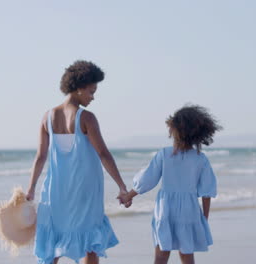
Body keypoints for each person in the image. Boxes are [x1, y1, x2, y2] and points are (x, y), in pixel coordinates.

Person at [25, 60, 130, 264]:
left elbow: (40, 157)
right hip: (85, 191)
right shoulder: (86, 118)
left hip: (56, 191)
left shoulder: (47, 117)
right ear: (80, 88)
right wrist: (122, 186)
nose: (93, 97)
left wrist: (31, 188)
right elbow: (104, 154)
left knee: (53, 242)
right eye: (91, 91)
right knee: (89, 242)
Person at [120, 105, 221, 264]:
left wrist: (128, 196)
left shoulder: (164, 154)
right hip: (189, 211)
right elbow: (206, 192)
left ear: (174, 130)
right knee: (187, 255)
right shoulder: (200, 159)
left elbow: (147, 180)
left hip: (165, 209)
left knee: (161, 254)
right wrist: (204, 219)